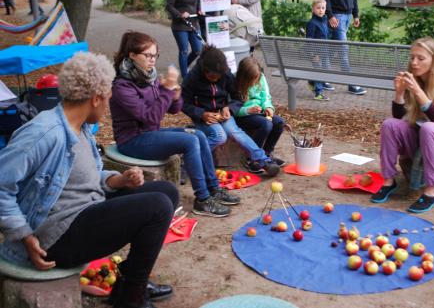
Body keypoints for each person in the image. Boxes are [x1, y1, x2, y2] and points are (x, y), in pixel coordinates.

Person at [0, 52, 177, 308]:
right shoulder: (44, 133)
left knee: (167, 191)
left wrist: (119, 180)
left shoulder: (80, 127)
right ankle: (131, 299)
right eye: (107, 100)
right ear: (95, 99)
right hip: (50, 240)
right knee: (158, 207)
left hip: (82, 213)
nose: (107, 107)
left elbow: (83, 178)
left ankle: (129, 284)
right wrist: (25, 236)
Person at [110, 31, 238, 218]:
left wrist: (174, 96)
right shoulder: (122, 86)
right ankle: (202, 200)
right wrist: (167, 91)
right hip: (132, 141)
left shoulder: (147, 77)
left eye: (155, 55)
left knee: (199, 135)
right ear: (132, 55)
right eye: (148, 55)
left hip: (150, 135)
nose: (152, 60)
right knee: (189, 141)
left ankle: (213, 188)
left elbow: (173, 110)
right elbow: (150, 117)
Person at [371, 37, 434, 213]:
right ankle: (389, 181)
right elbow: (399, 117)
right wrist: (399, 93)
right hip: (425, 135)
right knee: (390, 124)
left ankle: (432, 190)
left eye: (421, 58)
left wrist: (417, 91)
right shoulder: (416, 78)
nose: (414, 62)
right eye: (412, 57)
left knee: (429, 128)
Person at [181, 45, 280, 176]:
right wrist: (202, 114)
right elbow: (183, 103)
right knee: (219, 136)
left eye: (218, 77)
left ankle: (263, 161)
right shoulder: (193, 77)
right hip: (204, 116)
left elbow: (237, 96)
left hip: (223, 113)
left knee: (236, 132)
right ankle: (187, 162)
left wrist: (229, 108)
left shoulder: (225, 74)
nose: (216, 80)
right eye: (212, 77)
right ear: (204, 71)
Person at [233, 57, 286, 169]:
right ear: (244, 78)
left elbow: (265, 96)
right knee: (266, 124)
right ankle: (252, 158)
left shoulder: (261, 77)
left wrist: (268, 107)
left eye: (256, 79)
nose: (254, 83)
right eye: (252, 80)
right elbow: (233, 108)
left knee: (279, 122)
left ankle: (266, 155)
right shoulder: (234, 82)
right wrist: (247, 110)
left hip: (258, 113)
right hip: (242, 115)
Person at [321, 0, 366, 95]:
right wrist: (330, 15)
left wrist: (355, 14)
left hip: (348, 16)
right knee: (343, 49)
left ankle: (321, 78)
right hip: (336, 16)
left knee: (333, 49)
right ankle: (351, 85)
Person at [166, 0, 203, 78]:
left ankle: (183, 66)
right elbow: (169, 6)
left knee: (198, 50)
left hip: (194, 24)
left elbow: (198, 4)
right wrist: (179, 14)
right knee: (184, 51)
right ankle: (185, 77)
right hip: (180, 25)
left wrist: (200, 10)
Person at [306, 0, 335, 101]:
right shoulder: (312, 23)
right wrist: (313, 54)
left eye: (323, 8)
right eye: (318, 8)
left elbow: (326, 35)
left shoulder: (325, 20)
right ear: (313, 9)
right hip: (316, 54)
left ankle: (312, 81)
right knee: (319, 71)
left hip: (325, 52)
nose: (321, 10)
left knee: (326, 70)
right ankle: (318, 93)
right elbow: (309, 40)